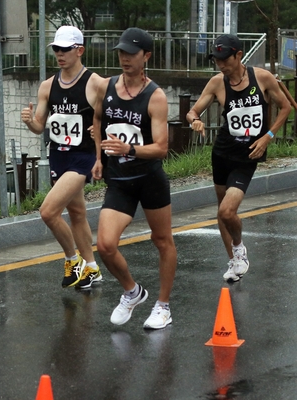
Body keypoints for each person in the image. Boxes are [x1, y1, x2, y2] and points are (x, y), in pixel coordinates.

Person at [92, 28, 177, 330]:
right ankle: (132, 291)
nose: (125, 58)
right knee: (104, 245)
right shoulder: (108, 87)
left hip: (149, 180)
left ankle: (163, 307)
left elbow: (162, 148)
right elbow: (98, 119)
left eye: (132, 53)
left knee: (162, 240)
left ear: (146, 57)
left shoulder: (155, 97)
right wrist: (99, 158)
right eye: (121, 53)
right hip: (119, 181)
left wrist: (129, 148)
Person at [187, 34, 290, 282]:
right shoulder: (217, 83)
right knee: (223, 213)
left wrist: (268, 136)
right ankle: (234, 260)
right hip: (222, 153)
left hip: (248, 154)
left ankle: (239, 248)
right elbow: (192, 111)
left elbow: (285, 106)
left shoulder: (261, 77)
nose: (221, 64)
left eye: (225, 59)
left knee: (227, 210)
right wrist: (196, 121)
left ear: (239, 55)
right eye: (217, 60)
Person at [21, 25, 103, 289]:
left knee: (48, 212)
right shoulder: (48, 86)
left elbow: (114, 112)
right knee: (77, 212)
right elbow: (39, 127)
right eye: (56, 49)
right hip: (58, 155)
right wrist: (29, 122)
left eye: (65, 49)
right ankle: (91, 268)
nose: (60, 54)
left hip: (83, 157)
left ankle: (72, 259)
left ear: (80, 50)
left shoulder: (95, 83)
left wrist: (100, 128)